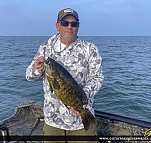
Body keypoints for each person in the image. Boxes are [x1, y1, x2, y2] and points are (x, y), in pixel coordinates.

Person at [26, 8, 103, 143]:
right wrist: (37, 69)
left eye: (74, 24)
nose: (69, 27)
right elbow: (29, 76)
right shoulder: (45, 49)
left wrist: (82, 96)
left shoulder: (90, 49)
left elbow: (98, 78)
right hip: (53, 121)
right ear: (57, 26)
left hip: (80, 120)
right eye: (65, 23)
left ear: (78, 27)